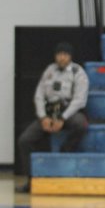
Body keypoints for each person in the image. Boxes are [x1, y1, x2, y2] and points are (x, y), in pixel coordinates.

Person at [16, 42, 89, 194]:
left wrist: (62, 118)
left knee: (81, 124)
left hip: (68, 111)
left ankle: (65, 151)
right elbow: (39, 95)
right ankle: (32, 179)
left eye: (65, 55)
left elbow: (80, 100)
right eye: (59, 54)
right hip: (49, 112)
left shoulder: (78, 72)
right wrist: (43, 117)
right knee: (25, 140)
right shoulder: (50, 70)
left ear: (70, 56)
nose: (62, 58)